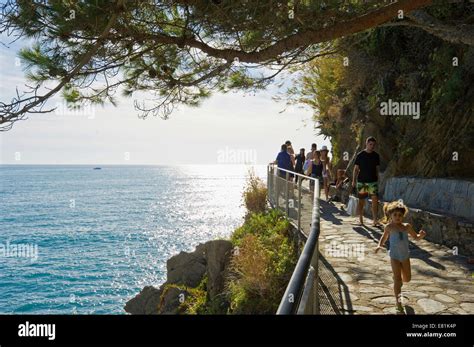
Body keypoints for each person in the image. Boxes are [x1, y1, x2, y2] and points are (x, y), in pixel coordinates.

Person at [375, 200, 427, 314]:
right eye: (395, 215)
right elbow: (384, 237)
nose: (398, 217)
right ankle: (398, 304)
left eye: (400, 215)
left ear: (403, 216)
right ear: (390, 215)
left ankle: (398, 280)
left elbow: (416, 237)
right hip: (394, 256)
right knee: (398, 280)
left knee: (407, 279)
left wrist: (421, 235)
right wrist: (379, 245)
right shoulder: (389, 227)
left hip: (405, 256)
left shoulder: (407, 227)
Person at [352, 136, 380, 226]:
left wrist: (378, 178)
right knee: (361, 201)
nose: (372, 146)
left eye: (373, 145)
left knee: (375, 200)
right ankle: (360, 219)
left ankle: (375, 220)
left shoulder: (376, 156)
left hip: (373, 181)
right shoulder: (360, 155)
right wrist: (353, 181)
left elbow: (377, 169)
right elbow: (356, 169)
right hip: (362, 181)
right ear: (366, 144)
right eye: (370, 144)